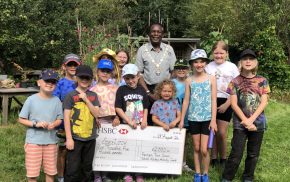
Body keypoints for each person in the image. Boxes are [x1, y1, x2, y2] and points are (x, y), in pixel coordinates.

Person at [221, 49, 270, 182]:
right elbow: (234, 104)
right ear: (240, 62)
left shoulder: (262, 80)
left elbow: (264, 102)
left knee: (253, 154)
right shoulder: (234, 82)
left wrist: (251, 121)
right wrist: (245, 121)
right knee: (236, 154)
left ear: (255, 62)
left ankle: (248, 178)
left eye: (251, 59)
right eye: (245, 59)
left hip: (258, 123)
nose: (248, 61)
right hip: (240, 124)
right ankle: (226, 178)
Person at [18, 69, 63, 182]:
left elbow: (59, 118)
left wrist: (54, 124)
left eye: (53, 82)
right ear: (39, 83)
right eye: (47, 81)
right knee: (32, 174)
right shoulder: (31, 100)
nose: (50, 84)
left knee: (50, 172)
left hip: (51, 141)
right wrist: (35, 124)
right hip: (34, 142)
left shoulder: (57, 100)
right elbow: (21, 119)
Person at [179, 49, 217, 182]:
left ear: (205, 63)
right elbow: (186, 101)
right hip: (193, 118)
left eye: (201, 61)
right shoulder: (189, 80)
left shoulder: (211, 79)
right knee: (196, 147)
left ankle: (205, 173)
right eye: (196, 62)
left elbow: (213, 100)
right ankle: (198, 173)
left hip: (207, 119)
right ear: (192, 64)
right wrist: (182, 120)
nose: (199, 64)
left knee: (204, 149)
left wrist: (213, 120)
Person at [205, 41, 240, 167]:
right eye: (216, 53)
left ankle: (224, 158)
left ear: (227, 53)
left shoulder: (232, 67)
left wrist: (227, 103)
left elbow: (237, 87)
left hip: (227, 100)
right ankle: (214, 158)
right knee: (213, 130)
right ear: (212, 53)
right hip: (211, 100)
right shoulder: (208, 67)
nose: (219, 55)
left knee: (221, 132)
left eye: (221, 53)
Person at [63, 65, 100, 182]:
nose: (84, 80)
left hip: (90, 138)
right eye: (81, 77)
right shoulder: (70, 96)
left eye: (87, 78)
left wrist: (86, 99)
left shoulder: (93, 96)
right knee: (73, 169)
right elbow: (66, 118)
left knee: (87, 167)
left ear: (91, 80)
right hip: (75, 138)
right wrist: (69, 138)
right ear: (76, 78)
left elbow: (97, 114)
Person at [135, 23, 176, 125]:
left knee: (164, 119)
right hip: (147, 89)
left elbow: (174, 71)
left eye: (159, 32)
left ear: (163, 34)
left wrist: (167, 89)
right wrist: (148, 93)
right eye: (153, 31)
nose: (156, 34)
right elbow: (139, 73)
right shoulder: (142, 50)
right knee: (147, 120)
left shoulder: (169, 49)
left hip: (165, 90)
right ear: (149, 34)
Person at [115, 64, 149, 182]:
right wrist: (128, 121)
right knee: (127, 149)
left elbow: (146, 107)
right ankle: (127, 173)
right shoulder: (121, 90)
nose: (130, 81)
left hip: (140, 126)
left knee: (139, 148)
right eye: (127, 78)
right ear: (124, 79)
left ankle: (138, 173)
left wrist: (144, 119)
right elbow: (118, 107)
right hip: (126, 125)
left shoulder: (142, 90)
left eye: (133, 77)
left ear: (138, 76)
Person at [90, 59, 120, 182]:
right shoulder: (92, 89)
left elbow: (120, 105)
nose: (105, 73)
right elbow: (90, 108)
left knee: (108, 149)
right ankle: (97, 174)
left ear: (111, 73)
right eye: (103, 70)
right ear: (97, 71)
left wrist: (117, 117)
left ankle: (106, 174)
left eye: (108, 71)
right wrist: (94, 119)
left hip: (112, 122)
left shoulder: (116, 88)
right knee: (97, 149)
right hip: (97, 122)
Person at [53, 53, 81, 182]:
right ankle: (60, 177)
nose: (72, 67)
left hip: (80, 121)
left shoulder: (83, 82)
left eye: (75, 64)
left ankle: (74, 175)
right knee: (63, 150)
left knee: (77, 150)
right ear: (64, 66)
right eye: (70, 64)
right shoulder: (60, 84)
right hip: (64, 122)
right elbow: (54, 102)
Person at [172, 59, 192, 172]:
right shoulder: (171, 82)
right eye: (178, 68)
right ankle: (172, 161)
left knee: (185, 141)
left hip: (188, 116)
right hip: (173, 117)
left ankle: (183, 163)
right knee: (174, 140)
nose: (181, 70)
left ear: (188, 69)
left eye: (184, 68)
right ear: (174, 70)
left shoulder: (191, 81)